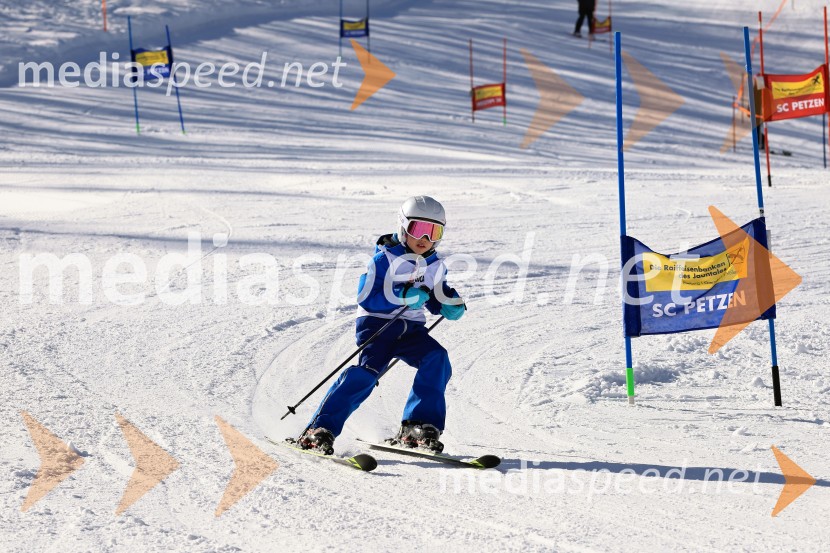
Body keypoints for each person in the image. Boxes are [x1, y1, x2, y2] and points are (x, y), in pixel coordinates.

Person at [297, 196, 466, 455]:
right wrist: (402, 295)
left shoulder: (434, 265)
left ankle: (417, 426)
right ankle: (319, 429)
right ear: (403, 226)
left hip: (411, 330)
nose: (425, 238)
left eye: (434, 232)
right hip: (377, 327)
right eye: (418, 229)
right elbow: (366, 295)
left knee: (437, 358)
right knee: (366, 374)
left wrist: (449, 303)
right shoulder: (383, 259)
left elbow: (437, 294)